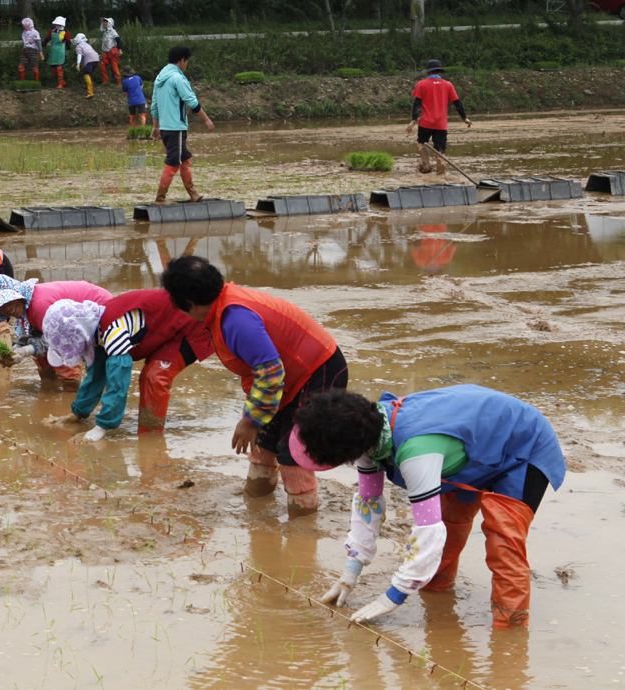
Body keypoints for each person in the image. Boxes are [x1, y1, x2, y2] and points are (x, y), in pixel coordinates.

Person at [291, 385, 566, 629]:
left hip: (524, 442)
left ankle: (510, 630)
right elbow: (369, 504)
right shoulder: (366, 430)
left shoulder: (416, 453)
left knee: (503, 545)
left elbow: (427, 531)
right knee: (450, 525)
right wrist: (350, 572)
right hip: (471, 449)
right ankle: (438, 598)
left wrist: (394, 596)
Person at [161, 255, 346, 519]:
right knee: (264, 441)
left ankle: (303, 524)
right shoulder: (222, 306)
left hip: (317, 370)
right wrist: (255, 420)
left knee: (293, 448)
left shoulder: (236, 319)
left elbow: (270, 374)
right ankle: (257, 500)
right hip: (290, 377)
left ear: (189, 303)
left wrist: (249, 420)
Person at [45, 288, 214, 443]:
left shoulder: (113, 329)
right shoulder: (95, 325)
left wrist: (100, 428)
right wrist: (78, 413)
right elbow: (96, 373)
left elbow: (118, 381)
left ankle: (151, 438)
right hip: (165, 327)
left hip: (193, 323)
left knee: (154, 376)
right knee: (104, 363)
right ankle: (147, 435)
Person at [0, 274, 112, 384]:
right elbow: (33, 334)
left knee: (64, 356)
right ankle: (50, 388)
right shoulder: (26, 306)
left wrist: (26, 351)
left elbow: (58, 340)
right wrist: (16, 348)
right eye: (0, 306)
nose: (7, 308)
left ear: (17, 294)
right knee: (41, 355)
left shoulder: (39, 305)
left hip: (100, 310)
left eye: (8, 301)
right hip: (73, 317)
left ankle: (71, 393)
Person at [150, 46, 214, 205]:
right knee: (173, 162)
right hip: (176, 128)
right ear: (182, 61)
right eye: (187, 62)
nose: (186, 65)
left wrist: (156, 127)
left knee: (185, 158)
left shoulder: (160, 78)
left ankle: (193, 194)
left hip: (165, 128)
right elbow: (192, 102)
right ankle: (160, 199)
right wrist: (206, 119)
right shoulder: (178, 78)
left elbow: (155, 106)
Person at [406, 59, 472, 175]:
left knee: (421, 143)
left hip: (425, 123)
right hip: (441, 125)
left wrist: (413, 121)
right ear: (440, 71)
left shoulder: (422, 84)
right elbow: (458, 104)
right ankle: (441, 173)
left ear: (428, 72)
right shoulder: (448, 85)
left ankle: (426, 164)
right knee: (440, 150)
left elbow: (417, 104)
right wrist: (464, 118)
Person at [41, 17, 71, 89]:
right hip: (53, 51)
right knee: (53, 69)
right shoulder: (52, 31)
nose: (57, 25)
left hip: (60, 51)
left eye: (59, 24)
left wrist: (68, 51)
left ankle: (60, 83)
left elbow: (68, 42)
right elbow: (47, 39)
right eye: (56, 24)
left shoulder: (65, 32)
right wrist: (41, 46)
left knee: (59, 68)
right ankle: (61, 81)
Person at [71, 33, 99, 100]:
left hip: (89, 60)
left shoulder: (78, 46)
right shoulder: (87, 44)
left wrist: (78, 64)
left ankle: (90, 92)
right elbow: (86, 53)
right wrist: (77, 62)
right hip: (96, 59)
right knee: (89, 73)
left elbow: (80, 55)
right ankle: (88, 86)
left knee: (86, 74)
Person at [99, 18, 122, 86]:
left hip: (112, 51)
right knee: (102, 66)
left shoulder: (113, 32)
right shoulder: (105, 32)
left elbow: (119, 40)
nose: (104, 24)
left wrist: (120, 49)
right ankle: (105, 80)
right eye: (104, 23)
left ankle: (119, 82)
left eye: (106, 23)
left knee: (115, 67)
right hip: (105, 51)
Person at [18, 18, 42, 83]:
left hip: (33, 51)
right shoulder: (24, 32)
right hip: (26, 51)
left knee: (35, 68)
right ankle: (22, 82)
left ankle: (37, 83)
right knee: (21, 67)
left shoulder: (35, 32)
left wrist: (40, 53)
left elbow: (38, 42)